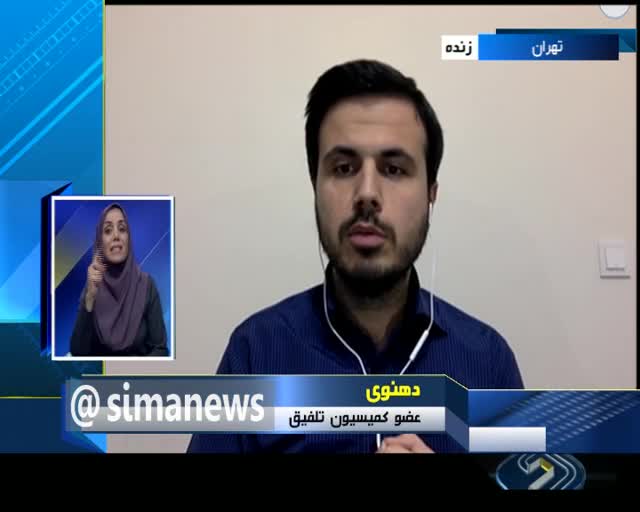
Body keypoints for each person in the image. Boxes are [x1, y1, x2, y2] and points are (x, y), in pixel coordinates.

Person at [188, 59, 523, 453]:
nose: (367, 194)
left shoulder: (487, 362)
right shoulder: (255, 353)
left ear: (431, 193)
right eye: (344, 168)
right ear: (315, 184)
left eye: (394, 169)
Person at [69, 203, 168, 357]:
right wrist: (90, 298)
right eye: (108, 230)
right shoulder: (92, 286)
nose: (116, 236)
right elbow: (77, 352)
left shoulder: (146, 285)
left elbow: (160, 349)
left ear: (129, 238)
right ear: (99, 243)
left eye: (122, 229)